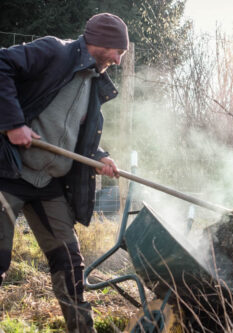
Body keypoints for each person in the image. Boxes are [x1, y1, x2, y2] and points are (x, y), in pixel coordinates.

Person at [0, 13, 128, 332]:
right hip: (8, 172)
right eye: (118, 52)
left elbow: (74, 135)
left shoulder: (94, 83)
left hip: (48, 184)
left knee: (69, 263)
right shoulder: (55, 52)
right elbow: (1, 64)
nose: (119, 60)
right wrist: (14, 124)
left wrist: (100, 157)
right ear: (103, 43)